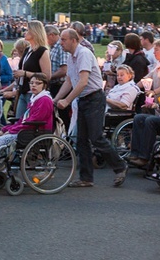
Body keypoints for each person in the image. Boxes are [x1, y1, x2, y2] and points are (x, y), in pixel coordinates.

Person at [54, 29, 127, 188]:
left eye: (64, 39)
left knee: (96, 137)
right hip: (84, 99)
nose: (61, 43)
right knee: (81, 140)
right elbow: (68, 81)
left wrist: (67, 101)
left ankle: (120, 166)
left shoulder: (84, 54)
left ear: (74, 40)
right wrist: (56, 99)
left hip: (93, 98)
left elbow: (83, 82)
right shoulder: (71, 56)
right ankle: (86, 178)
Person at [0, 73, 53, 181]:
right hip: (27, 130)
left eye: (38, 83)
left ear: (44, 85)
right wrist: (5, 129)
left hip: (34, 132)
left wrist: (10, 131)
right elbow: (23, 119)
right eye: (32, 83)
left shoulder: (44, 100)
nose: (34, 85)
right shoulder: (35, 99)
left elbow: (32, 122)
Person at [13, 20, 51, 119]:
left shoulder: (42, 51)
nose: (25, 33)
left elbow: (46, 76)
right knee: (19, 120)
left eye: (27, 31)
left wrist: (25, 73)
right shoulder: (28, 50)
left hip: (34, 92)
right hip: (23, 90)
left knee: (28, 122)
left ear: (34, 33)